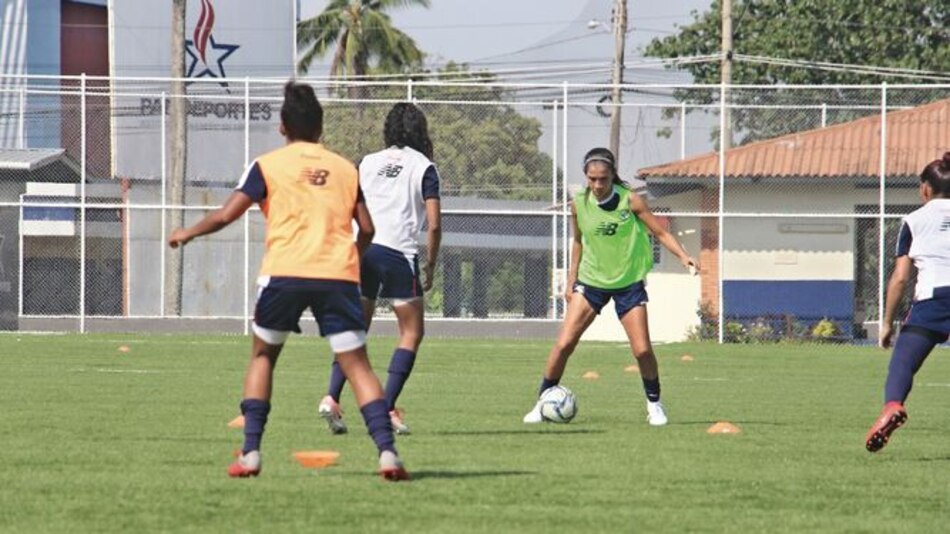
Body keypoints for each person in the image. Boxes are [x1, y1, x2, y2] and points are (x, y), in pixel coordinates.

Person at [168, 81, 409, 481]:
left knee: (263, 358)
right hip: (337, 275)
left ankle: (251, 454)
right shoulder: (346, 169)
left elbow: (228, 214)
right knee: (358, 366)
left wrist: (187, 233)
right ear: (320, 128)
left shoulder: (267, 166)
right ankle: (387, 454)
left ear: (282, 127)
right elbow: (367, 227)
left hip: (284, 272)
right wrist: (349, 255)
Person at [523, 147, 698, 426]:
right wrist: (571, 282)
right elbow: (578, 242)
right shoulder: (578, 204)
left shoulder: (631, 201)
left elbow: (661, 232)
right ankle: (542, 402)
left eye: (602, 179)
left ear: (612, 176)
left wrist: (684, 257)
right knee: (564, 343)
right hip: (591, 283)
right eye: (591, 179)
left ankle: (654, 405)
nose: (597, 185)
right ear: (586, 177)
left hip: (628, 284)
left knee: (642, 350)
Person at [317, 102, 442, 436]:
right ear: (421, 131)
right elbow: (433, 224)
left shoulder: (367, 162)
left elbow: (347, 205)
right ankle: (385, 408)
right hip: (397, 253)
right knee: (412, 333)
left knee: (356, 330)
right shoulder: (424, 167)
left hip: (362, 249)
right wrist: (430, 263)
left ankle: (331, 397)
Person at [865, 152, 950, 453]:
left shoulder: (914, 220)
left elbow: (901, 277)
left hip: (933, 299)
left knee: (903, 361)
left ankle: (892, 406)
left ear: (926, 188)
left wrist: (887, 323)